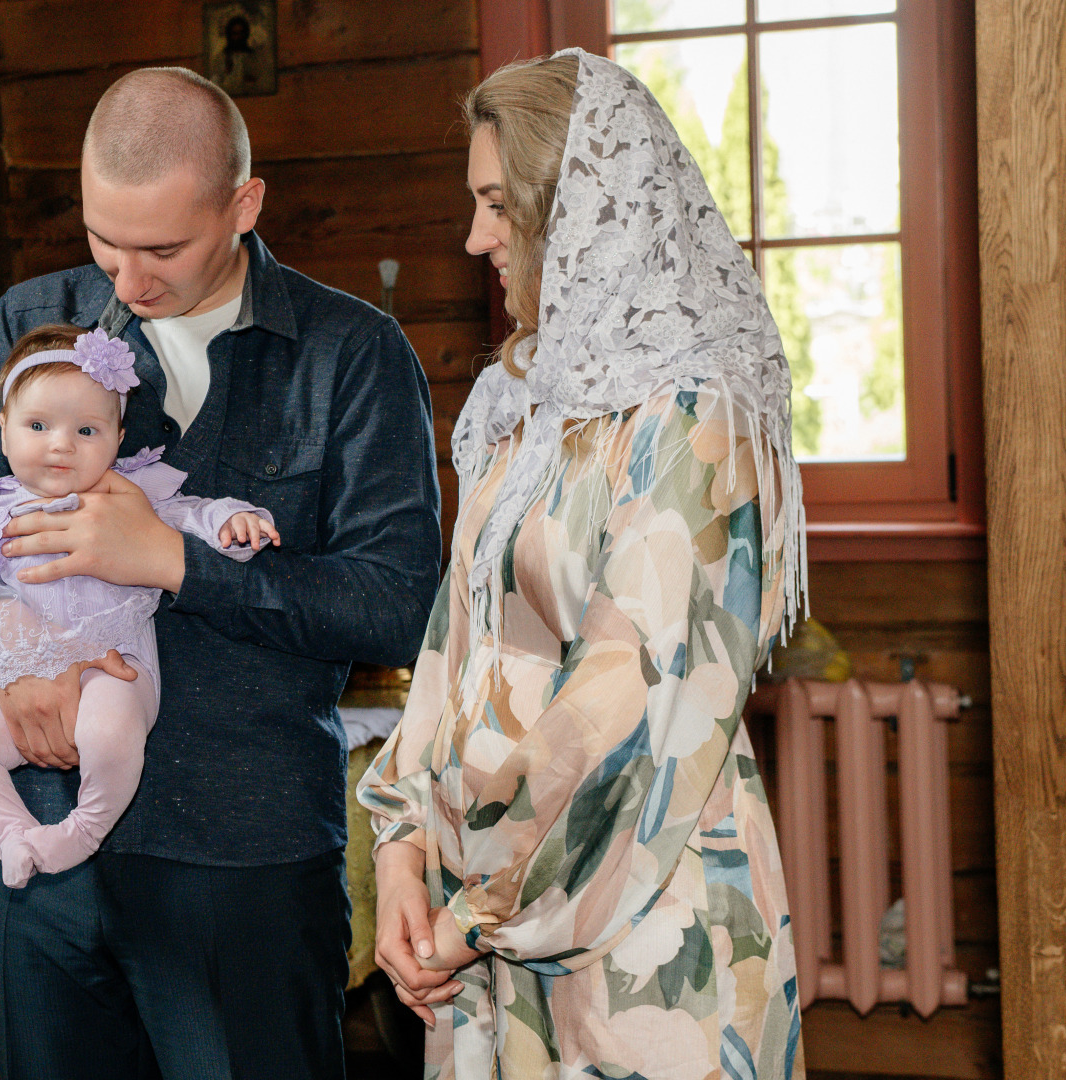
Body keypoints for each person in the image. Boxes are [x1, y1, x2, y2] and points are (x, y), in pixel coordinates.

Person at [0, 67, 439, 1079]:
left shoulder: (352, 354)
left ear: (243, 207)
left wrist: (176, 564)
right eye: (105, 240)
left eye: (162, 248)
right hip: (46, 851)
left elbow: (398, 609)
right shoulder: (35, 318)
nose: (127, 280)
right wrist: (6, 656)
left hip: (247, 855)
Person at [358, 50, 807, 1078]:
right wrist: (401, 851)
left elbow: (632, 704)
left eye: (497, 206)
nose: (476, 238)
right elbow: (451, 649)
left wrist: (476, 911)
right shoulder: (522, 404)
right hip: (483, 929)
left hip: (639, 915)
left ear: (582, 214)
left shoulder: (697, 424)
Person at [0, 324, 277, 889]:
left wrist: (234, 520)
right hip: (26, 682)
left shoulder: (129, 494)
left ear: (117, 436)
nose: (62, 444)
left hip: (117, 672)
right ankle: (14, 835)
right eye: (38, 426)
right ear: (2, 431)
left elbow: (193, 512)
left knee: (109, 733)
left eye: (86, 430)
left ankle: (83, 830)